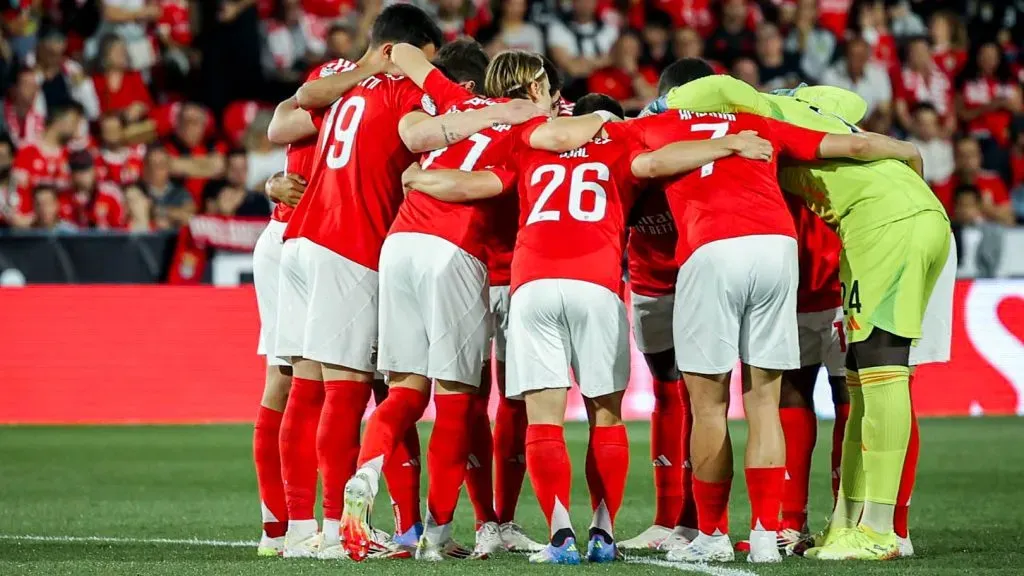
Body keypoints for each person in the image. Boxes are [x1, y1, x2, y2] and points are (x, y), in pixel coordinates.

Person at [401, 89, 775, 564]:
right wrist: (729, 144)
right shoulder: (622, 139)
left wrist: (420, 178)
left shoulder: (532, 140)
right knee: (606, 415)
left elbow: (475, 184)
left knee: (544, 418)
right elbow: (661, 163)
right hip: (597, 284)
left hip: (532, 283)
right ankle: (602, 532)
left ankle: (560, 537)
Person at [267, 4, 540, 560]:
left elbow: (284, 120)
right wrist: (497, 113)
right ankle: (358, 531)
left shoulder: (346, 88)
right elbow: (433, 128)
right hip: (358, 243)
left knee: (313, 384)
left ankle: (298, 528)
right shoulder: (407, 95)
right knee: (373, 392)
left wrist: (277, 180)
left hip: (311, 238)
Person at [663, 64, 956, 561]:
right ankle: (851, 524)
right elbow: (852, 105)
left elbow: (711, 90)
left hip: (880, 229)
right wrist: (906, 157)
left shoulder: (768, 119)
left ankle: (882, 530)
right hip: (924, 217)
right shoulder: (821, 110)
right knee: (867, 375)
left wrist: (666, 105)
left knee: (882, 373)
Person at [337, 46, 548, 562]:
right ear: (536, 88)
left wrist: (418, 174)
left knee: (406, 390)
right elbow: (484, 183)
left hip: (399, 243)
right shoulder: (526, 134)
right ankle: (436, 536)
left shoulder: (458, 103)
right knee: (456, 399)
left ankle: (365, 471)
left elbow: (408, 54)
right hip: (453, 252)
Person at [776, 196, 846, 549]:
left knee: (848, 397)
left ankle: (845, 519)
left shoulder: (842, 146)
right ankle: (791, 522)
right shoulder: (778, 149)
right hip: (791, 294)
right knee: (791, 391)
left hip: (842, 291)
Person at [6, 103, 82, 229]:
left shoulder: (72, 156)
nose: (77, 130)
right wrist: (20, 219)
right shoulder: (28, 153)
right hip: (32, 231)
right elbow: (14, 192)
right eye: (75, 123)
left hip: (67, 233)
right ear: (60, 121)